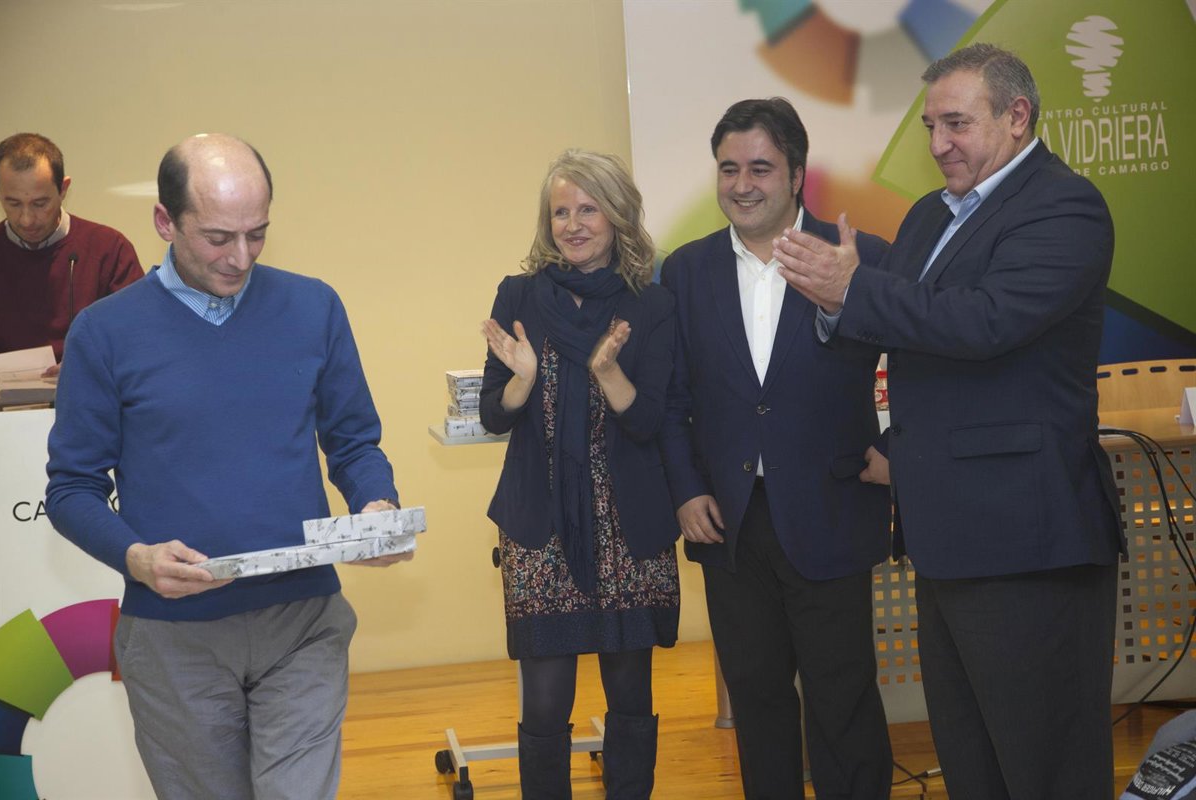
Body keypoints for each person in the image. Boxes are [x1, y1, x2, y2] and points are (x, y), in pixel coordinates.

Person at [774, 44, 1124, 798]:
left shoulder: (1064, 205)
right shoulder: (930, 215)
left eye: (957, 124)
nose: (938, 144)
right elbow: (895, 324)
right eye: (931, 125)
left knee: (1045, 768)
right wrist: (835, 304)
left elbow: (987, 321)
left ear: (1017, 116)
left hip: (1028, 544)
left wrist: (854, 290)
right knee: (974, 764)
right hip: (945, 541)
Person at [45, 133, 412, 800]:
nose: (240, 257)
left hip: (303, 619)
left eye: (257, 234)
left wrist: (375, 507)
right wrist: (136, 558)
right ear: (165, 221)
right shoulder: (103, 333)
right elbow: (72, 490)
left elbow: (354, 441)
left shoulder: (314, 307)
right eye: (218, 238)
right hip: (173, 638)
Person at [658, 97, 893, 799]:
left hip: (830, 506)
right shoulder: (686, 271)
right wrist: (685, 488)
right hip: (730, 523)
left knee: (842, 697)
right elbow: (671, 398)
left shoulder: (858, 257)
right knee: (755, 699)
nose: (742, 184)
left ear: (796, 174)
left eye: (760, 168)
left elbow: (927, 365)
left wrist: (899, 449)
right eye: (728, 168)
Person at [480, 149, 679, 799]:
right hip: (540, 525)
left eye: (588, 209)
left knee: (630, 694)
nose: (572, 224)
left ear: (618, 215)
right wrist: (523, 381)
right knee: (544, 702)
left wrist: (609, 373)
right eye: (560, 212)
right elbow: (493, 413)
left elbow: (649, 421)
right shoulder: (518, 296)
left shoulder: (650, 305)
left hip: (626, 525)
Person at [0, 133, 142, 370]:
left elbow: (137, 337)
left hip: (88, 389)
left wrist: (91, 366)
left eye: (40, 203)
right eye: (13, 203)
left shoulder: (109, 249)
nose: (26, 219)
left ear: (63, 189)